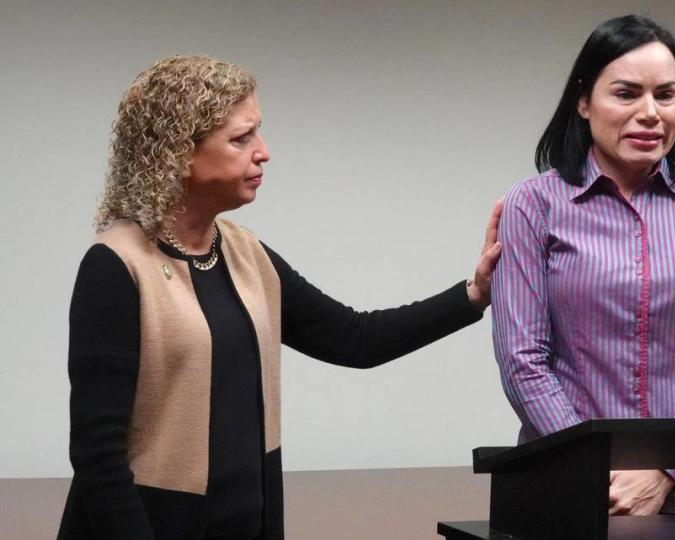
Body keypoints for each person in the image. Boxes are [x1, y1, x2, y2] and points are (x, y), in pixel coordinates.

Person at [58, 55, 502, 540]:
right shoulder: (116, 265)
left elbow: (356, 339)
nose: (263, 152)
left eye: (258, 132)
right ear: (178, 152)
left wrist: (474, 295)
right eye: (241, 138)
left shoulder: (245, 252)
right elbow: (97, 457)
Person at [491, 15, 675, 516]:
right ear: (584, 100)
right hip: (567, 484)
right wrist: (600, 473)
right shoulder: (533, 205)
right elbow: (522, 361)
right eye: (627, 93)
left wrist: (664, 471)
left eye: (666, 95)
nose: (650, 113)